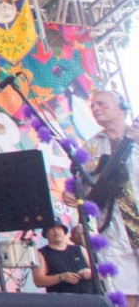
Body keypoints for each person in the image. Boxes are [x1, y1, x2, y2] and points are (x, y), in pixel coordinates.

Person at [65, 89, 139, 305]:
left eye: (102, 104)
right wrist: (70, 192)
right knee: (126, 293)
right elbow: (76, 180)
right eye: (93, 106)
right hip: (112, 228)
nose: (96, 109)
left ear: (121, 107)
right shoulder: (91, 145)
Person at [33, 222, 93, 294]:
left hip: (89, 298)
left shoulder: (80, 249)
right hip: (62, 300)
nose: (56, 231)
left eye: (59, 228)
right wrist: (61, 277)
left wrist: (90, 273)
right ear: (46, 234)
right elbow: (38, 281)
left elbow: (100, 275)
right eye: (51, 228)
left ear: (64, 231)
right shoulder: (41, 253)